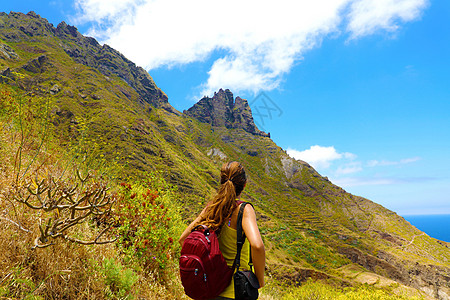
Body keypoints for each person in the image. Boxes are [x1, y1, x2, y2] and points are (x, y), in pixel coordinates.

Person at [179, 161, 265, 300]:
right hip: (235, 291)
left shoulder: (211, 208)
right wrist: (260, 280)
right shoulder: (244, 210)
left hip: (210, 290)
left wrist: (210, 265)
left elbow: (183, 239)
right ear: (244, 185)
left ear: (222, 182)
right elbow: (257, 246)